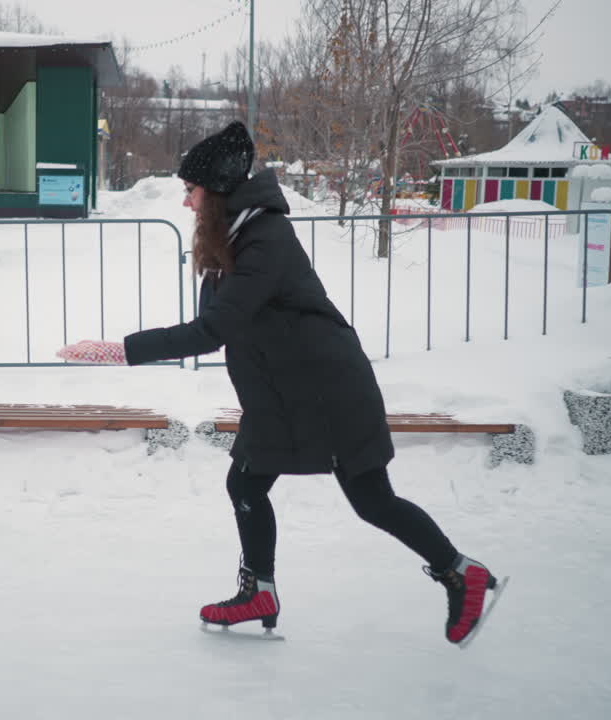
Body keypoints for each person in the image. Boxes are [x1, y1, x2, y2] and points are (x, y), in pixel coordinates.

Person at [56, 120, 501, 645]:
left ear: (216, 193)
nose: (187, 204)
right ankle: (258, 591)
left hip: (328, 393)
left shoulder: (265, 238)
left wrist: (120, 350)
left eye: (191, 192)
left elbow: (212, 330)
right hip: (285, 396)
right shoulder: (234, 237)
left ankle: (461, 572)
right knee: (245, 482)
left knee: (372, 500)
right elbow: (218, 320)